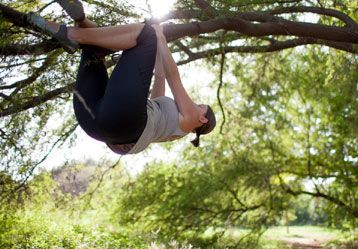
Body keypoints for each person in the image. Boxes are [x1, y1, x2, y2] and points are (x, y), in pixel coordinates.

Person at [27, 0, 216, 155]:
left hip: (123, 122)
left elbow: (173, 77)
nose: (195, 104)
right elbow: (160, 77)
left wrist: (159, 37)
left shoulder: (192, 118)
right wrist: (159, 48)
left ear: (203, 120)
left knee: (145, 35)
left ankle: (72, 32)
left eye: (200, 106)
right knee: (94, 50)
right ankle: (81, 20)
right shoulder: (167, 126)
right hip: (94, 125)